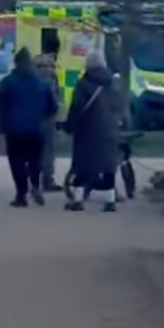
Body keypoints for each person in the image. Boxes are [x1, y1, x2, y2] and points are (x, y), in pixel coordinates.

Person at [64, 50, 127, 213]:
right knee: (108, 166)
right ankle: (110, 201)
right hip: (110, 131)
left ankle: (78, 200)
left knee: (83, 165)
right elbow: (120, 106)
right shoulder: (113, 84)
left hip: (87, 131)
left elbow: (77, 108)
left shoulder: (83, 84)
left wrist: (69, 126)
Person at [0, 47, 57, 207]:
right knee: (34, 161)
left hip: (14, 129)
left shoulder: (8, 82)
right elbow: (52, 106)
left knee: (17, 163)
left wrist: (1, 127)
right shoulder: (40, 83)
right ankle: (36, 185)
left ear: (16, 63)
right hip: (36, 129)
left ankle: (21, 194)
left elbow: (0, 106)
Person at [34, 35, 63, 192]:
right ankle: (47, 180)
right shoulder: (49, 69)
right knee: (48, 148)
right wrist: (55, 107)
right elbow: (50, 94)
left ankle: (33, 178)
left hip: (32, 114)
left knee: (34, 148)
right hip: (46, 115)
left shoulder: (34, 66)